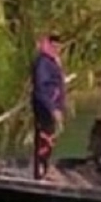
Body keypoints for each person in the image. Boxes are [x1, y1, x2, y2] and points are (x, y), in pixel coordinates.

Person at [30, 34, 67, 180]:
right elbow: (41, 88)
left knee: (49, 137)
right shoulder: (43, 62)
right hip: (44, 105)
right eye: (55, 46)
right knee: (44, 138)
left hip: (51, 104)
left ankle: (44, 168)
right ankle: (41, 173)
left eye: (59, 47)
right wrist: (52, 108)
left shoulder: (52, 61)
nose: (58, 49)